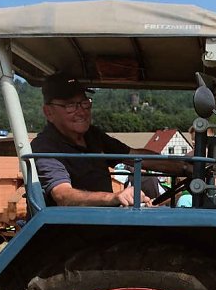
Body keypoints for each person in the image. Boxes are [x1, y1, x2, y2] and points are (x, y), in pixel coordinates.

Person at [31, 74, 190, 207]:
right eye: (70, 105)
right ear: (48, 112)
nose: (81, 112)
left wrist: (184, 166)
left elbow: (134, 156)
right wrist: (114, 197)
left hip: (102, 221)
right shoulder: (45, 147)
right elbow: (63, 195)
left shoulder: (93, 136)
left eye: (84, 103)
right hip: (70, 227)